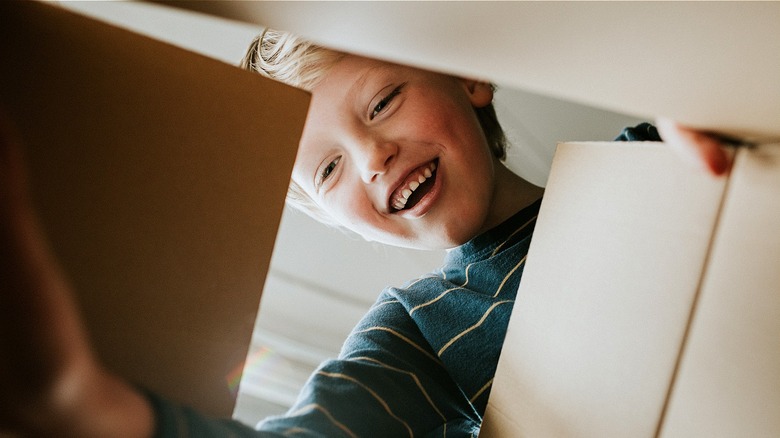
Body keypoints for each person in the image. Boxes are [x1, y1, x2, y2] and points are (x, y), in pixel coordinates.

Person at [0, 29, 731, 437]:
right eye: (327, 172)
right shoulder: (417, 331)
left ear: (471, 77)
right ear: (334, 219)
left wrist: (722, 112)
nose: (372, 157)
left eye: (382, 101)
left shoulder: (646, 158)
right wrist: (83, 403)